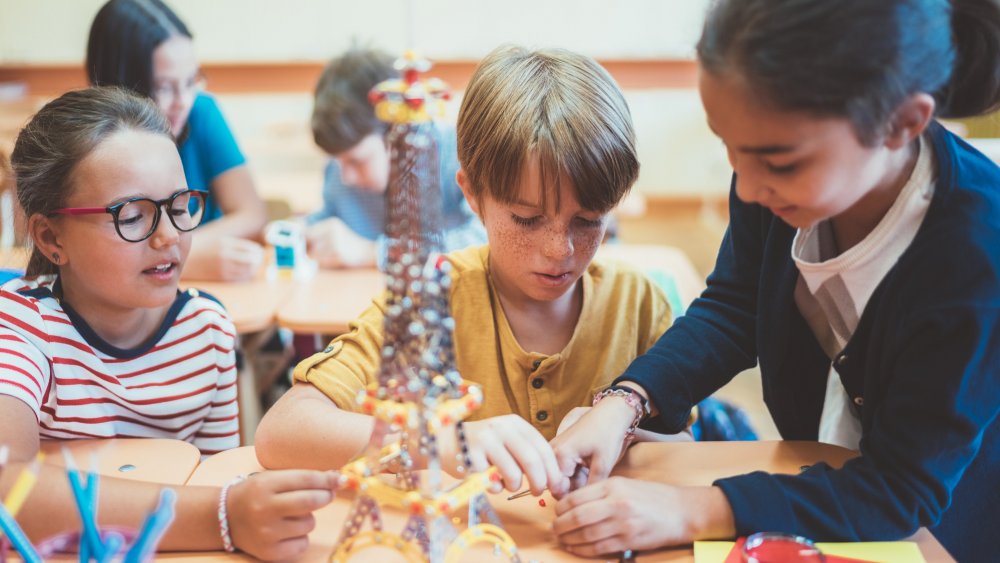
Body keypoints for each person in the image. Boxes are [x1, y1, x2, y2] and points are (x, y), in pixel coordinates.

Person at [550, 1, 1000, 560]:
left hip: (940, 530)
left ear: (903, 122)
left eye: (779, 163)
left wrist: (687, 509)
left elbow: (899, 489)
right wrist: (623, 402)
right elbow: (735, 307)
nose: (748, 188)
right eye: (730, 150)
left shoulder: (976, 250)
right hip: (817, 484)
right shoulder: (773, 182)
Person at [255, 45, 674, 498]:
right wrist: (432, 442)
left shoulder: (639, 305)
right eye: (527, 220)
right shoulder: (428, 301)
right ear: (472, 195)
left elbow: (687, 446)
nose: (560, 250)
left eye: (589, 220)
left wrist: (621, 430)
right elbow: (281, 431)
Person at [0, 87, 333, 560]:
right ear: (51, 237)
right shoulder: (20, 327)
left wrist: (234, 512)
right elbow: (4, 489)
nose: (169, 236)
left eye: (180, 206)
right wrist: (224, 516)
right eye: (133, 216)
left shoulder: (206, 330)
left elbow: (218, 481)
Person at [87, 0, 267, 282]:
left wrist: (174, 253)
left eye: (191, 81)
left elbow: (252, 214)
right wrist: (182, 256)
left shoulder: (201, 112)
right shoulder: (86, 142)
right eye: (164, 87)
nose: (183, 101)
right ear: (120, 83)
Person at [305, 47, 486, 269]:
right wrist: (303, 232)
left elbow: (484, 240)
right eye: (337, 160)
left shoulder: (458, 156)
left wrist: (372, 253)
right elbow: (332, 216)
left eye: (357, 161)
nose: (346, 177)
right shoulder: (340, 167)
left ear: (399, 135)